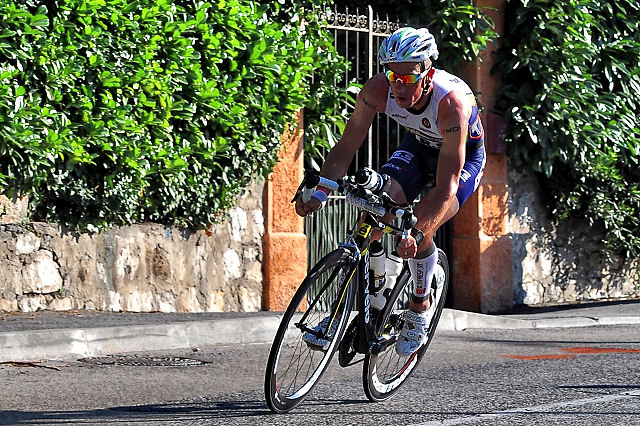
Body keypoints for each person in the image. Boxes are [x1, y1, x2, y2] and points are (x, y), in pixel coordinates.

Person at [296, 27, 486, 356]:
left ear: (428, 73)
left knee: (423, 220)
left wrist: (416, 230)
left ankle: (419, 304)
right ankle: (342, 312)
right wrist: (323, 190)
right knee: (376, 209)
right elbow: (348, 143)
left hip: (461, 161)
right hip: (417, 148)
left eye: (408, 78)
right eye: (392, 75)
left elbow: (446, 186)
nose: (399, 85)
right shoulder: (377, 89)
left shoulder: (451, 104)